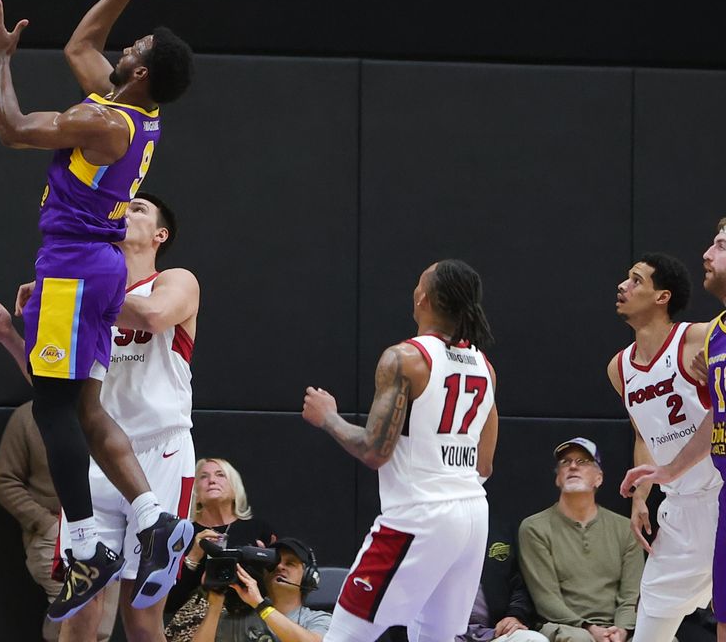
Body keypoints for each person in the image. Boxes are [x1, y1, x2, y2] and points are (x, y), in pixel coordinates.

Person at [0, 0, 195, 622]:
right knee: (89, 410)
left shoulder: (106, 124)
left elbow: (12, 128)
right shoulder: (133, 108)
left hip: (72, 266)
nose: (123, 50)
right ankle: (153, 516)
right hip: (92, 267)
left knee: (53, 411)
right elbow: (80, 45)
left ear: (142, 72)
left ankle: (89, 543)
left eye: (136, 49)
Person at [0, 191, 199, 641]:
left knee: (140, 620)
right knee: (81, 612)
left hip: (159, 451)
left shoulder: (175, 280)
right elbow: (55, 394)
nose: (127, 212)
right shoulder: (86, 296)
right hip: (93, 457)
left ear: (161, 234)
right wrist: (8, 335)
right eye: (125, 205)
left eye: (139, 209)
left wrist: (70, 293)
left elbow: (155, 318)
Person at [302, 260, 498, 642]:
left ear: (422, 297)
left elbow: (375, 451)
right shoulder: (485, 366)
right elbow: (485, 462)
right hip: (472, 514)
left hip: (420, 514)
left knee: (344, 633)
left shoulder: (405, 358)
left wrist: (328, 417)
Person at [622, 217, 726, 642]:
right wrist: (648, 488)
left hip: (714, 490)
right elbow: (645, 434)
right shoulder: (620, 367)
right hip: (681, 504)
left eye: (635, 279)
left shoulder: (700, 338)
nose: (622, 286)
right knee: (653, 622)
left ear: (662, 296)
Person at [0, 400, 119, 642]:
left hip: (106, 535)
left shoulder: (113, 412)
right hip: (56, 536)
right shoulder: (28, 417)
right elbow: (5, 481)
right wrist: (46, 525)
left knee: (100, 629)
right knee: (74, 617)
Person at [519, 438, 642, 642]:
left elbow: (631, 596)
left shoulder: (625, 528)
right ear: (558, 478)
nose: (573, 466)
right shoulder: (534, 528)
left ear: (599, 478)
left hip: (618, 629)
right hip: (565, 628)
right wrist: (589, 628)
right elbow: (546, 599)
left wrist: (620, 631)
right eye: (565, 462)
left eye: (583, 461)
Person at [167, 458, 277, 618]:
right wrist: (194, 555)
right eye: (203, 476)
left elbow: (278, 588)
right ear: (195, 492)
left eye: (220, 475)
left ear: (235, 488)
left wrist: (263, 567)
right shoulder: (183, 533)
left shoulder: (259, 529)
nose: (212, 480)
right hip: (197, 621)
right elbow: (169, 602)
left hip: (250, 617)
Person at [191, 538, 332, 642]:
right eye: (273, 564)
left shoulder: (319, 619)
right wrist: (215, 605)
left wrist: (261, 605)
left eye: (290, 563)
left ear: (308, 576)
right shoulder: (238, 618)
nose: (280, 567)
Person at [457, 515, 541, 642]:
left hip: (494, 633)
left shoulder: (499, 531)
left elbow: (519, 584)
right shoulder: (424, 535)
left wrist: (515, 616)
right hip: (442, 635)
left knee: (533, 639)